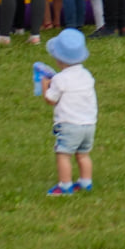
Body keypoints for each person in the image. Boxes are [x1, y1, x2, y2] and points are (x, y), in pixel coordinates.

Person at [38, 28, 97, 196]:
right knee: (83, 154)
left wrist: (44, 85)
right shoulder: (86, 75)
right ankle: (86, 182)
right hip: (89, 124)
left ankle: (64, 186)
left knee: (63, 155)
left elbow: (51, 99)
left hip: (70, 125)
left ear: (59, 59)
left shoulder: (59, 79)